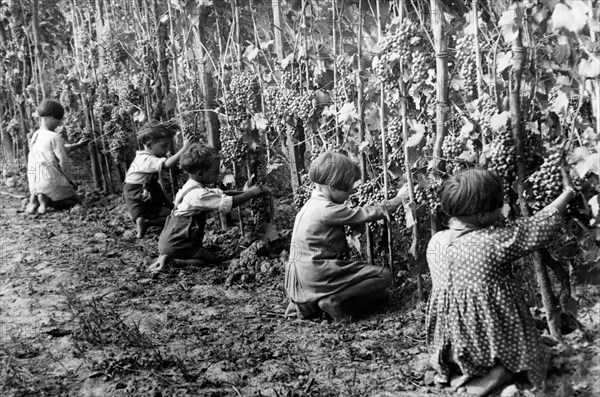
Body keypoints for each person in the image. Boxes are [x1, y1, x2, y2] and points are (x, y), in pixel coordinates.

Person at [426, 168, 576, 397]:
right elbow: (538, 226)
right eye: (498, 207)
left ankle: (462, 372)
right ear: (483, 217)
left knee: (469, 346)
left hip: (448, 346)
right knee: (527, 356)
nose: (502, 211)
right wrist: (567, 193)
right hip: (486, 346)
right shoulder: (493, 242)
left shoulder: (436, 242)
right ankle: (498, 374)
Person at [284, 151, 408, 321]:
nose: (351, 193)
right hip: (316, 274)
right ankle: (333, 300)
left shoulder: (311, 206)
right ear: (333, 187)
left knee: (379, 294)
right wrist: (398, 199)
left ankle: (320, 303)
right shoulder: (327, 210)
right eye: (348, 188)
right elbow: (365, 213)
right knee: (384, 275)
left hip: (302, 278)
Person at [148, 144, 269, 273]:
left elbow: (224, 195)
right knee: (212, 262)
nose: (218, 173)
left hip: (172, 239)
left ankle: (168, 255)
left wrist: (244, 192)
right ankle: (172, 261)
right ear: (200, 173)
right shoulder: (198, 195)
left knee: (209, 257)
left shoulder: (191, 187)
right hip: (179, 243)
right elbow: (230, 203)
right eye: (216, 171)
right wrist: (252, 193)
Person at [123, 122, 191, 238]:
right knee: (175, 215)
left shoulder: (144, 157)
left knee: (171, 211)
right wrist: (185, 148)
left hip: (140, 193)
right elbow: (168, 164)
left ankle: (145, 221)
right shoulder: (146, 159)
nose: (167, 149)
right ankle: (147, 222)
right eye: (164, 146)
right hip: (139, 196)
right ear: (149, 145)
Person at [26, 99, 81, 215]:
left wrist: (78, 144)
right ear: (51, 118)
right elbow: (63, 161)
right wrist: (71, 180)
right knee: (76, 200)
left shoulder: (36, 135)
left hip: (36, 181)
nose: (59, 124)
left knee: (43, 188)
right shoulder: (55, 136)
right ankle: (47, 202)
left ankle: (38, 201)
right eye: (58, 120)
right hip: (51, 180)